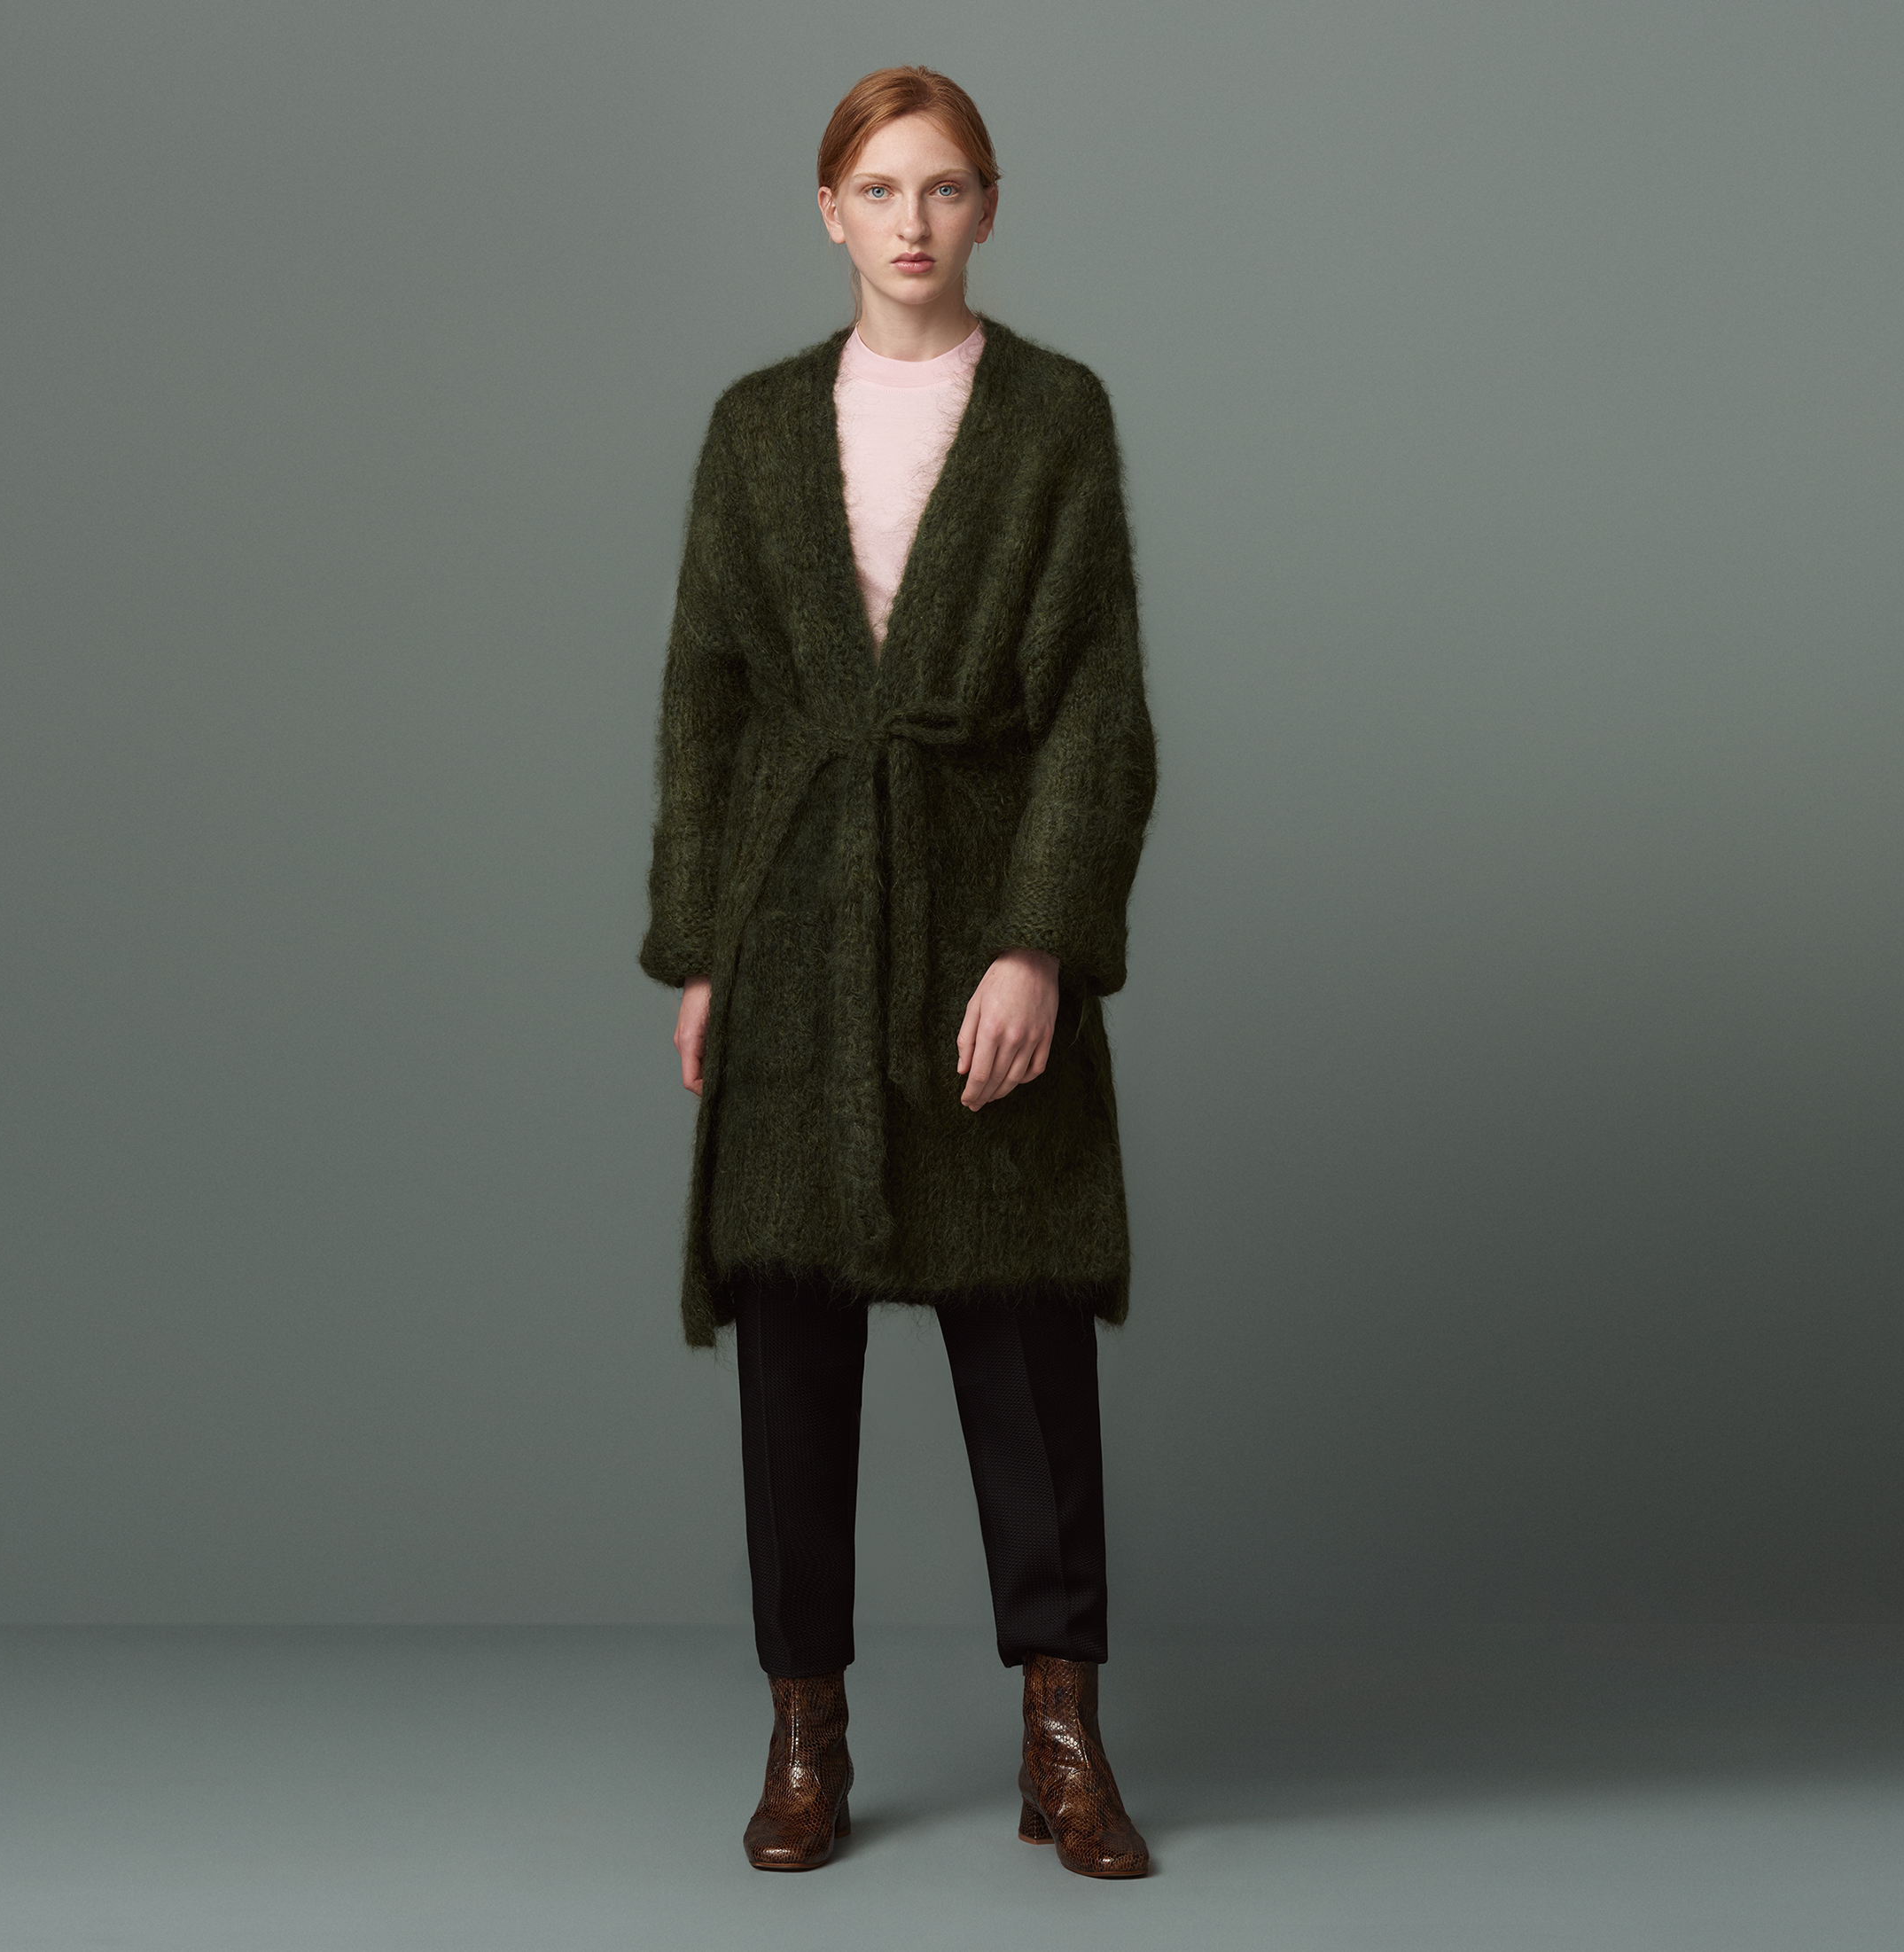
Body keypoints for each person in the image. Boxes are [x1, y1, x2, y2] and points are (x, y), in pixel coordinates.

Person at [637, 66, 1159, 1878]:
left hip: (974, 904)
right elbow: (706, 699)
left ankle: (1063, 1734)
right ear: (829, 213)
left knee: (1025, 1329)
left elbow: (1096, 704)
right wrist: (703, 952)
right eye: (879, 189)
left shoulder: (1056, 417)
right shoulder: (756, 429)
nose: (913, 222)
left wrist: (1039, 943)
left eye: (944, 187)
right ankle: (806, 1729)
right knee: (792, 1344)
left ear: (989, 206)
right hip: (792, 921)